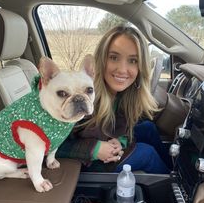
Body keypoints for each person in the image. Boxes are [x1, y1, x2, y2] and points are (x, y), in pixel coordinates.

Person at [57, 25, 171, 174]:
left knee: (148, 128)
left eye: (133, 60)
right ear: (101, 60)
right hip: (85, 164)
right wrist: (95, 149)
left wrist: (120, 141)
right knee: (147, 153)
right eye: (113, 57)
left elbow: (121, 127)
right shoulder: (85, 97)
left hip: (105, 142)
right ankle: (169, 188)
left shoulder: (123, 94)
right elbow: (54, 145)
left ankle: (172, 172)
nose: (122, 70)